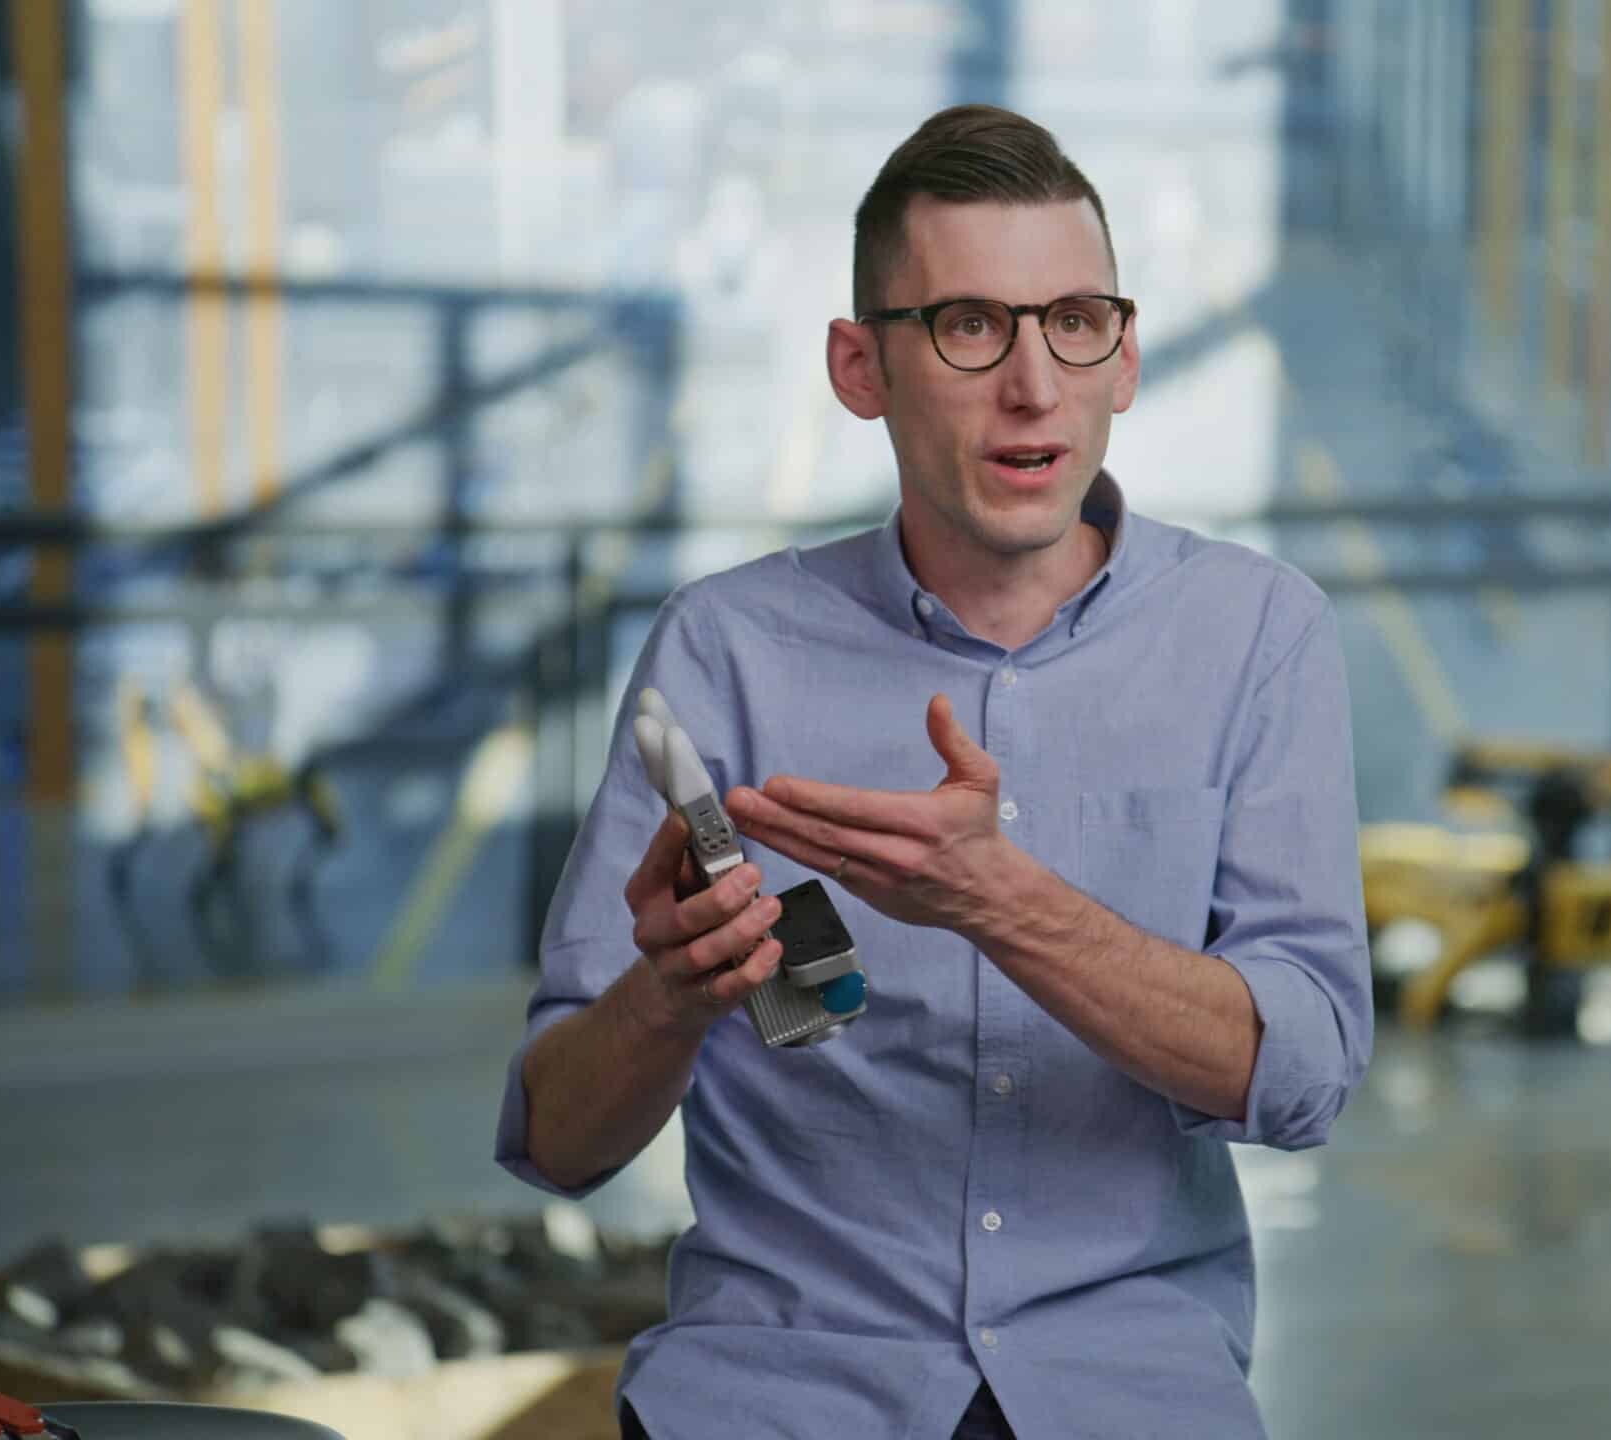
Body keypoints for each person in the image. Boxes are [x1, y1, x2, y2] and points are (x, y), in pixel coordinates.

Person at [494, 103, 1374, 1439]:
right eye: (970, 326)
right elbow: (560, 1144)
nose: (1033, 384)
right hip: (776, 1398)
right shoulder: (727, 650)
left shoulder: (1256, 634)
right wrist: (670, 996)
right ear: (861, 367)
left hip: (1129, 1396)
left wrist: (999, 901)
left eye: (1073, 321)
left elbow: (1303, 1076)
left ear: (1124, 357)